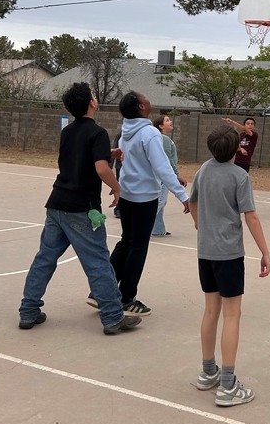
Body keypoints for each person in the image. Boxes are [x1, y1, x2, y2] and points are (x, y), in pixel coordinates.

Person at [18, 82, 142, 335]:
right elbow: (100, 168)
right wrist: (117, 187)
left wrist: (108, 153)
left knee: (45, 258)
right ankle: (112, 317)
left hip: (56, 204)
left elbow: (81, 156)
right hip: (82, 210)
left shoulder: (68, 131)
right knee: (97, 262)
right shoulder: (97, 132)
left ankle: (28, 310)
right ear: (91, 103)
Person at [190, 124, 270, 407]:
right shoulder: (239, 176)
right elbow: (251, 217)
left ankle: (207, 371)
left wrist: (200, 226)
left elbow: (193, 202)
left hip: (206, 252)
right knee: (232, 315)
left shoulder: (203, 170)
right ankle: (227, 385)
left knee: (210, 310)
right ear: (237, 147)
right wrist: (265, 252)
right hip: (228, 255)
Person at [109, 91, 189, 315]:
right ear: (141, 107)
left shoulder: (127, 130)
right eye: (144, 98)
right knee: (137, 247)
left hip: (127, 195)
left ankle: (101, 291)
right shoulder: (150, 133)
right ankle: (126, 297)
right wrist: (183, 196)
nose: (148, 99)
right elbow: (162, 167)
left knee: (126, 241)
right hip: (144, 198)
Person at [151, 113, 186, 237]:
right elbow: (168, 160)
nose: (170, 121)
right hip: (164, 176)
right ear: (160, 125)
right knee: (160, 201)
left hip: (164, 175)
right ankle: (143, 227)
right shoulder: (163, 139)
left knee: (160, 202)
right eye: (167, 120)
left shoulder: (163, 138)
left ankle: (157, 229)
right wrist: (177, 175)